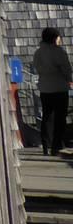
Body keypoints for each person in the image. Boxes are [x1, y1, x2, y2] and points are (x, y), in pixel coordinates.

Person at [34, 27, 73, 155]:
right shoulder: (58, 52)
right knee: (60, 117)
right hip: (59, 87)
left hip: (45, 88)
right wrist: (69, 79)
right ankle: (57, 145)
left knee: (47, 116)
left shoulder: (38, 53)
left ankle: (46, 144)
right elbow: (67, 69)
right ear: (54, 38)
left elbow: (37, 68)